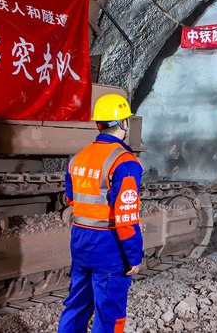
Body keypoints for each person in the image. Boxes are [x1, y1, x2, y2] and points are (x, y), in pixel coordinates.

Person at [58, 94, 143, 333]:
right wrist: (134, 256)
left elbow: (71, 199)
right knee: (109, 316)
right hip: (109, 248)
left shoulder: (78, 158)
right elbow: (126, 217)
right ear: (124, 123)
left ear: (98, 124)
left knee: (76, 305)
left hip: (81, 244)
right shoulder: (124, 162)